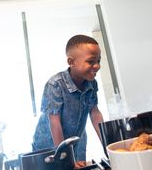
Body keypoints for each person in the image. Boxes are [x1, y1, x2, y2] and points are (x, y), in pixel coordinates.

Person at [32, 34, 104, 168]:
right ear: (71, 62)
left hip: (74, 143)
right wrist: (66, 159)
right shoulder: (55, 84)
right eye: (91, 61)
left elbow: (95, 114)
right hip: (49, 150)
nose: (97, 66)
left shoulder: (91, 83)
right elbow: (54, 122)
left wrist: (108, 145)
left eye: (99, 61)